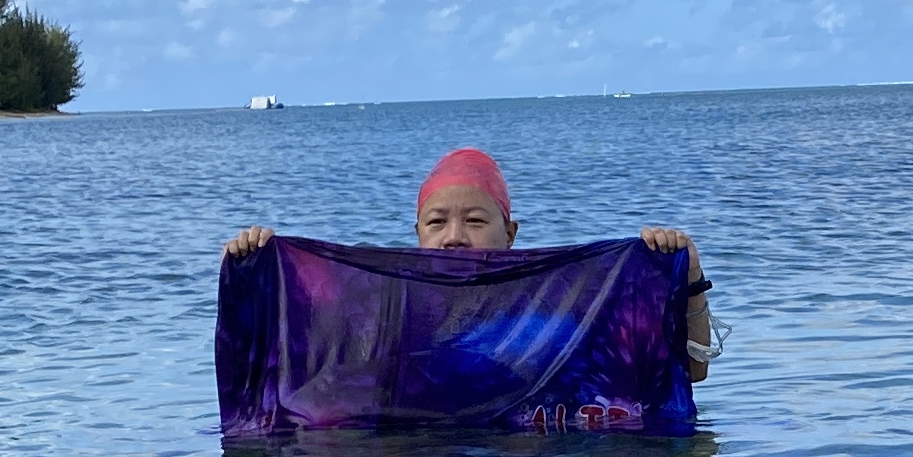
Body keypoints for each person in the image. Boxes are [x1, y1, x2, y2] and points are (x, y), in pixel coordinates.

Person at [225, 148, 718, 378]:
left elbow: (686, 375)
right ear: (417, 236)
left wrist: (689, 281)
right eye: (436, 222)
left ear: (511, 233)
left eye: (475, 221)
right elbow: (279, 368)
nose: (454, 238)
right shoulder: (375, 313)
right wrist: (254, 276)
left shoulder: (565, 308)